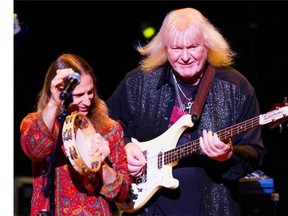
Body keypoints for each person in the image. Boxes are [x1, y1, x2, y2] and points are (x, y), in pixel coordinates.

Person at [106, 7, 266, 216]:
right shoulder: (138, 82)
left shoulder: (235, 88)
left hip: (214, 208)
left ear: (208, 46)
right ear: (164, 48)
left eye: (192, 47)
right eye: (176, 48)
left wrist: (228, 155)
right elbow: (105, 123)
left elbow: (255, 152)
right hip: (149, 209)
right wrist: (125, 146)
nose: (185, 57)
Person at [20, 53, 131, 216]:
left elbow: (124, 195)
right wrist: (53, 103)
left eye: (90, 92)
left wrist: (103, 167)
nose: (87, 101)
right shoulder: (36, 123)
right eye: (79, 95)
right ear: (59, 91)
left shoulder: (110, 129)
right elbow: (35, 150)